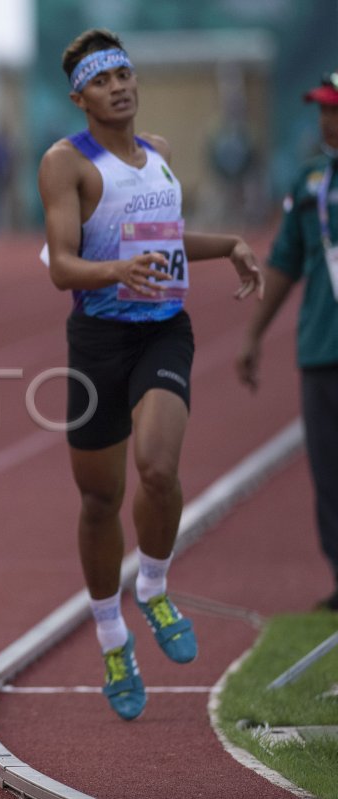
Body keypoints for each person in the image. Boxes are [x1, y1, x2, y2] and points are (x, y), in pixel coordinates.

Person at [37, 28, 264, 721]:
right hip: (99, 340)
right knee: (100, 501)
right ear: (81, 97)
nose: (120, 86)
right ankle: (112, 635)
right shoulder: (66, 163)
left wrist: (226, 244)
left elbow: (164, 242)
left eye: (125, 74)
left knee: (159, 470)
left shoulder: (160, 153)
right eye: (104, 80)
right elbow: (61, 264)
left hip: (164, 331)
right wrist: (114, 270)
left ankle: (156, 585)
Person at [237, 72, 338, 612]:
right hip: (323, 346)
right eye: (323, 110)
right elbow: (284, 262)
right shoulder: (309, 183)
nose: (327, 121)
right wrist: (253, 334)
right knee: (328, 472)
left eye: (335, 111)